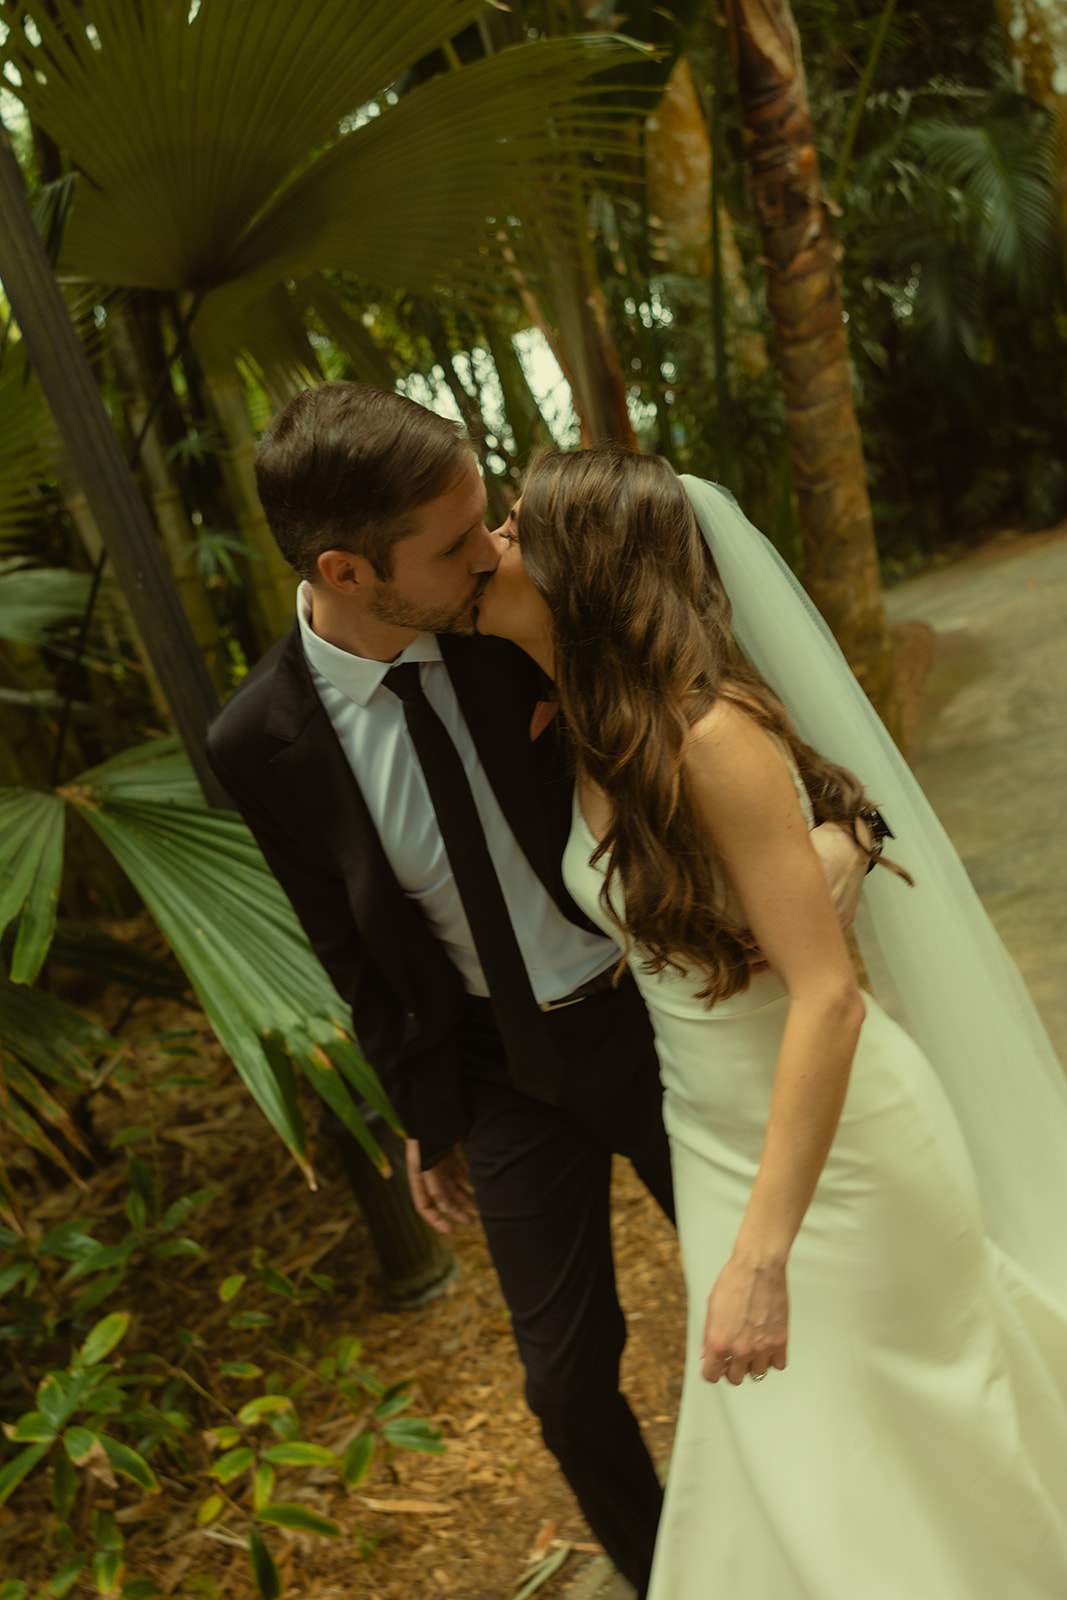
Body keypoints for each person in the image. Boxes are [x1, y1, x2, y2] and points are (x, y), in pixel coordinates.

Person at [205, 383, 869, 1598]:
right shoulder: (257, 740)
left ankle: (846, 1532)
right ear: (348, 570)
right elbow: (346, 945)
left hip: (655, 1021)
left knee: (790, 1292)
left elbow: (714, 711)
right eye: (455, 543)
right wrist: (425, 1114)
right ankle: (673, 1571)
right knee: (563, 1390)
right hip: (500, 1066)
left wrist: (836, 838)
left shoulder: (505, 617)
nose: (490, 553)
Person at [474, 442, 1067, 1599]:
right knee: (800, 1467)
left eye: (513, 528)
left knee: (902, 1457)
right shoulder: (587, 722)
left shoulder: (707, 740)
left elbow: (828, 994)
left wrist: (760, 1252)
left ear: (584, 568)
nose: (494, 546)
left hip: (837, 1160)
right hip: (710, 1141)